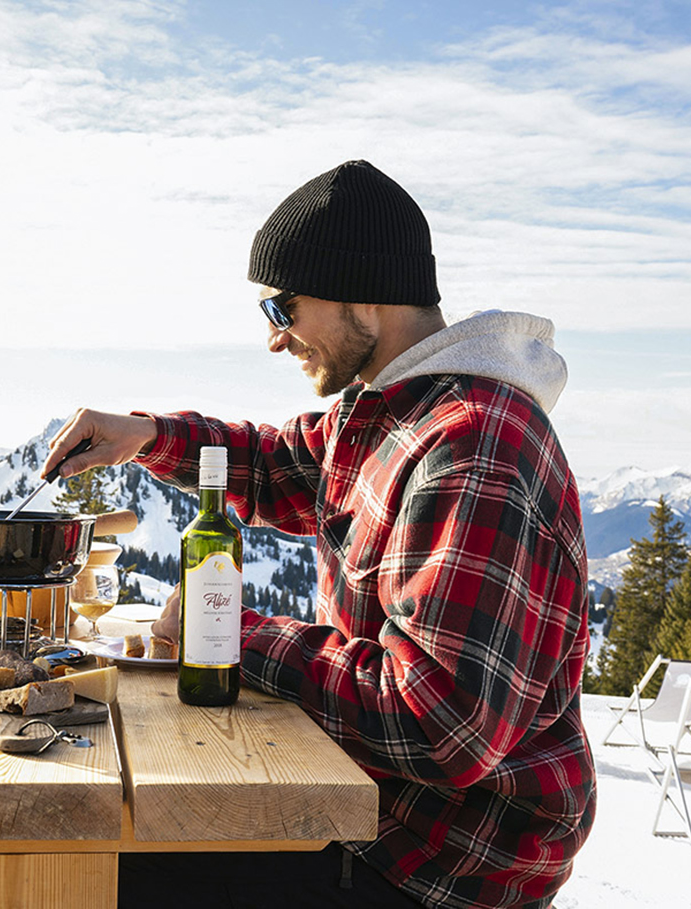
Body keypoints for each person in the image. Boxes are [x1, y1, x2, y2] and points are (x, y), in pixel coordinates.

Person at [46, 161, 596, 909]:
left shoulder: (474, 449)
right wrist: (144, 434)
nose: (275, 338)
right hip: (368, 813)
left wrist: (229, 632)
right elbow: (278, 463)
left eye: (283, 307)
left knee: (78, 869)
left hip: (431, 864)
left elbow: (438, 723)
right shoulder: (392, 411)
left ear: (361, 291)